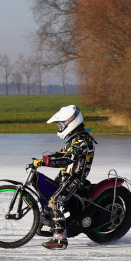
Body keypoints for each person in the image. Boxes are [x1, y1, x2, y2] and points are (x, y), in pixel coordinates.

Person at [32, 105, 96, 250]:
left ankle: (60, 240)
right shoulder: (75, 139)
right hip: (65, 177)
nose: (60, 127)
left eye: (61, 124)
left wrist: (46, 162)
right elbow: (63, 152)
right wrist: (45, 158)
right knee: (48, 196)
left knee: (55, 201)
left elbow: (68, 158)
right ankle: (47, 227)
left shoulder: (83, 142)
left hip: (75, 180)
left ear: (71, 122)